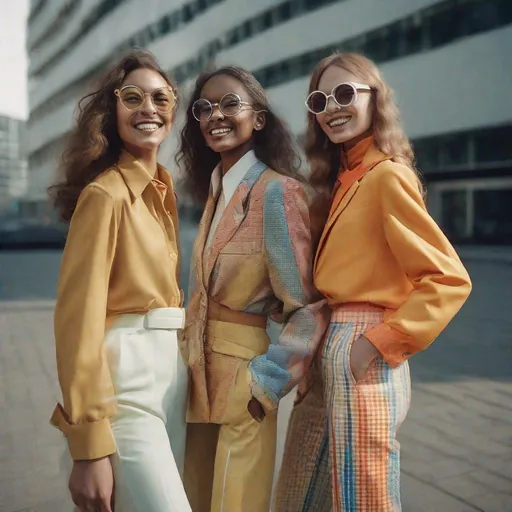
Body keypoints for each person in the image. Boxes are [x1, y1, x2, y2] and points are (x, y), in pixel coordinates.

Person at [274, 52, 472, 512]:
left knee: (364, 493)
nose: (332, 107)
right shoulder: (344, 179)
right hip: (331, 347)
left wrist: (379, 343)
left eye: (345, 94)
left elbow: (448, 278)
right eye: (320, 99)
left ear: (374, 99)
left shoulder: (387, 176)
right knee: (302, 490)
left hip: (365, 347)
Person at [176, 66, 328, 512]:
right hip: (196, 377)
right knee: (195, 498)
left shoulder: (277, 192)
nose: (215, 115)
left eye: (229, 104)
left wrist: (266, 383)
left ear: (258, 118)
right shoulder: (215, 191)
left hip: (246, 379)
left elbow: (308, 305)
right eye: (204, 108)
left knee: (236, 503)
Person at [48, 50, 190, 512]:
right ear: (111, 113)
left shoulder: (163, 194)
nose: (148, 108)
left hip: (172, 378)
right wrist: (87, 444)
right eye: (132, 97)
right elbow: (77, 321)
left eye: (160, 97)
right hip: (125, 381)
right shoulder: (104, 196)